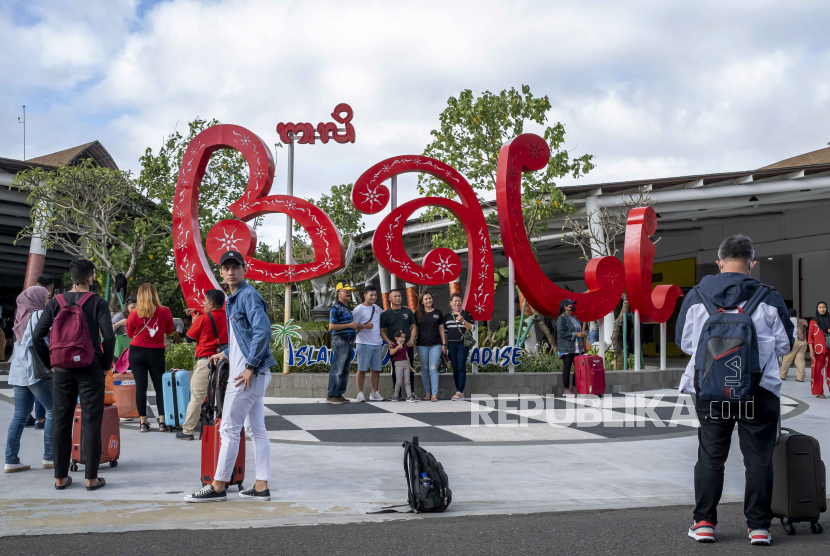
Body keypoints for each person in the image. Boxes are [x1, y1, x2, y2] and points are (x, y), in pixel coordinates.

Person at [676, 234, 792, 546]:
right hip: (758, 391)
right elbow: (785, 344)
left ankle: (703, 523)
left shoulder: (698, 295)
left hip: (713, 391)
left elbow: (686, 343)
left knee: (712, 456)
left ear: (719, 262)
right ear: (751, 263)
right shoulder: (768, 296)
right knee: (758, 460)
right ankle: (758, 528)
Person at [184, 251, 276, 502]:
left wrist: (249, 365)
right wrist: (226, 354)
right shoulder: (234, 298)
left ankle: (218, 486)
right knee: (257, 430)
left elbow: (262, 330)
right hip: (249, 372)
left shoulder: (247, 295)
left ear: (244, 269)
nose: (231, 271)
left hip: (246, 375)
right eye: (227, 268)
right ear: (221, 273)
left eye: (236, 267)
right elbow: (241, 337)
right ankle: (261, 486)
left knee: (228, 429)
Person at [33, 258, 114, 491]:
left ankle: (60, 478)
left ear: (71, 278)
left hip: (62, 370)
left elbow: (37, 337)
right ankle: (91, 478)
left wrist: (50, 363)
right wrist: (105, 365)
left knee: (60, 420)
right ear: (90, 278)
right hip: (90, 368)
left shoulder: (55, 303)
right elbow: (109, 337)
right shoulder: (97, 301)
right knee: (91, 421)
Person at [4, 286, 53, 473]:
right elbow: (43, 341)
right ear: (38, 298)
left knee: (20, 415)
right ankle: (50, 456)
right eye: (46, 296)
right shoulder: (39, 314)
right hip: (36, 370)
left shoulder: (20, 316)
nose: (48, 299)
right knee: (53, 410)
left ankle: (11, 460)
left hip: (19, 371)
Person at [177, 289, 228, 440]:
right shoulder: (229, 316)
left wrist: (195, 319)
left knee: (197, 397)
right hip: (225, 361)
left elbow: (188, 338)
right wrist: (198, 311)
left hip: (206, 362)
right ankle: (224, 429)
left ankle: (187, 431)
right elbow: (215, 316)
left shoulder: (203, 319)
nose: (203, 304)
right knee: (223, 397)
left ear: (211, 304)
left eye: (205, 302)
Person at [127, 283, 174, 432]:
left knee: (141, 388)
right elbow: (170, 330)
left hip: (137, 351)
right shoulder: (164, 311)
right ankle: (162, 422)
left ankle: (143, 423)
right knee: (160, 388)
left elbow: (129, 333)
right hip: (156, 352)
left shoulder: (134, 313)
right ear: (155, 294)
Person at [327, 283, 372, 404]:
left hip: (349, 343)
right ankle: (332, 395)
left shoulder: (346, 307)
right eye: (345, 291)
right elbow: (331, 327)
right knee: (337, 369)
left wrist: (364, 326)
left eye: (349, 291)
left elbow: (353, 326)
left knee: (345, 370)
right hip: (340, 341)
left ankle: (339, 394)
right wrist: (349, 325)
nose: (348, 293)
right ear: (338, 293)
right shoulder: (335, 307)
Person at [380, 290, 417, 396]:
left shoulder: (408, 311)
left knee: (410, 367)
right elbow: (381, 331)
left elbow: (414, 327)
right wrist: (388, 342)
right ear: (389, 299)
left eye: (399, 296)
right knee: (396, 369)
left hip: (407, 345)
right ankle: (397, 393)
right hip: (394, 348)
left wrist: (411, 340)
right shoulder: (385, 314)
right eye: (395, 296)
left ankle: (411, 392)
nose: (398, 298)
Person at [352, 285, 384, 402]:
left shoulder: (377, 308)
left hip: (377, 344)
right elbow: (352, 325)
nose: (374, 297)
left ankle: (374, 393)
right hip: (363, 343)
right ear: (365, 295)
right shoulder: (358, 309)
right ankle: (360, 393)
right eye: (371, 295)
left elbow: (385, 316)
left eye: (375, 295)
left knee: (375, 369)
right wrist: (365, 326)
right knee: (362, 369)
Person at [415, 292, 445, 402]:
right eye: (426, 299)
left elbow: (442, 329)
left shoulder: (438, 313)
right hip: (421, 345)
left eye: (430, 298)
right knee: (425, 369)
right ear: (422, 301)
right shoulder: (417, 313)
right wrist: (413, 344)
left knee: (433, 368)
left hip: (436, 344)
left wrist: (444, 344)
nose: (429, 300)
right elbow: (413, 329)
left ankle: (434, 395)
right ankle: (427, 393)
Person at [445, 293, 474, 401]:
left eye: (459, 301)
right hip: (451, 345)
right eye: (455, 301)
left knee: (461, 366)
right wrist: (444, 346)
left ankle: (460, 391)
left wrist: (463, 321)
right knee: (455, 367)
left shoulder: (466, 314)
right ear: (450, 303)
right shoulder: (447, 316)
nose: (457, 303)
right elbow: (445, 332)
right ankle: (459, 390)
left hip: (462, 344)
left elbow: (472, 328)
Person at [556, 299, 585, 397]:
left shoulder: (574, 318)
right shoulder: (562, 319)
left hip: (577, 348)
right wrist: (576, 334)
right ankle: (566, 390)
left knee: (578, 369)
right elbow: (562, 333)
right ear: (565, 307)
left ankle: (573, 388)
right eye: (571, 304)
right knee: (567, 368)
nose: (573, 305)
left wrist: (582, 333)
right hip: (567, 348)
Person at [808, 301, 830, 399]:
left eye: (824, 307)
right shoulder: (813, 321)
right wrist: (811, 350)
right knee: (817, 371)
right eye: (820, 307)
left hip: (829, 349)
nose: (822, 309)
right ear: (817, 308)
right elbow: (810, 337)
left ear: (826, 308)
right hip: (817, 350)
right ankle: (819, 392)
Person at [780, 308, 808, 382]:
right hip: (803, 342)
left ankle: (782, 375)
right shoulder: (801, 320)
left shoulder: (789, 321)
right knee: (800, 360)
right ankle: (800, 377)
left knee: (787, 358)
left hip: (794, 341)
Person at [390, 330, 416, 402]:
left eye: (404, 337)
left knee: (407, 381)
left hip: (405, 363)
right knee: (398, 381)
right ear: (396, 338)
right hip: (398, 364)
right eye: (401, 337)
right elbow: (391, 352)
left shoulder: (404, 346)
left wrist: (410, 366)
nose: (403, 339)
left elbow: (406, 356)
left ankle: (409, 395)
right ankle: (395, 395)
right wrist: (398, 347)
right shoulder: (393, 345)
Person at [111, 295, 137, 360]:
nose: (135, 310)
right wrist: (120, 323)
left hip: (136, 353)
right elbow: (108, 330)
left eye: (137, 308)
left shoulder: (140, 317)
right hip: (121, 354)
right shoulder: (120, 316)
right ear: (127, 306)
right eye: (132, 308)